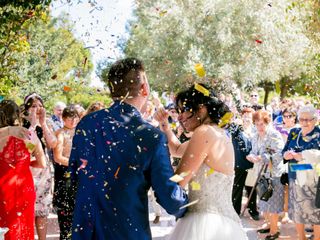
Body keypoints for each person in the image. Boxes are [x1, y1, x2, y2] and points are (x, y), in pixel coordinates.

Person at [68, 58, 188, 239]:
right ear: (144, 89)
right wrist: (192, 206)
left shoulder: (86, 123)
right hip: (127, 232)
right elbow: (168, 196)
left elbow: (75, 175)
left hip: (85, 230)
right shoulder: (151, 136)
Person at [154, 83, 248, 240]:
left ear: (202, 108)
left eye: (184, 110)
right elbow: (176, 150)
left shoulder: (203, 132)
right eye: (178, 111)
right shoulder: (219, 133)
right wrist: (165, 125)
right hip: (223, 222)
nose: (180, 117)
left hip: (204, 224)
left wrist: (154, 173)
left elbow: (180, 179)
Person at [0, 100, 46, 240]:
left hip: (2, 187)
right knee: (23, 226)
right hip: (24, 187)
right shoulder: (29, 136)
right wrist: (25, 163)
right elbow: (42, 163)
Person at [22, 93, 57, 240]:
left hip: (43, 171)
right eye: (33, 106)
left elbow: (52, 144)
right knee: (28, 209)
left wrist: (42, 123)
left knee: (42, 210)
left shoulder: (46, 123)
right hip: (27, 169)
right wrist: (33, 124)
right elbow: (26, 147)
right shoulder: (20, 124)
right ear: (27, 108)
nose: (37, 109)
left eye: (39, 106)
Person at [282, 105, 320, 240]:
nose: (304, 122)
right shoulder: (294, 132)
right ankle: (301, 237)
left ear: (315, 120)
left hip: (313, 180)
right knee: (298, 211)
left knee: (315, 212)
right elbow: (284, 150)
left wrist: (302, 155)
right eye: (301, 119)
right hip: (294, 176)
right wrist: (286, 154)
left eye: (308, 120)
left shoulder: (318, 134)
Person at [246, 110, 285, 240]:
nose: (260, 127)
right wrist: (251, 156)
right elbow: (253, 150)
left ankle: (274, 231)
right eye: (257, 124)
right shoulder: (255, 136)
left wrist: (262, 158)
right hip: (261, 173)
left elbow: (279, 154)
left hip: (274, 174)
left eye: (262, 124)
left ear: (268, 123)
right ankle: (268, 225)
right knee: (264, 201)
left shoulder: (274, 135)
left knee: (273, 203)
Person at [53, 105, 80, 240]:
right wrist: (76, 164)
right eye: (70, 118)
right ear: (63, 119)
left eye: (75, 117)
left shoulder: (80, 132)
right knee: (66, 211)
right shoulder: (60, 133)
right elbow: (58, 157)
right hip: (65, 175)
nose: (73, 120)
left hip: (80, 174)